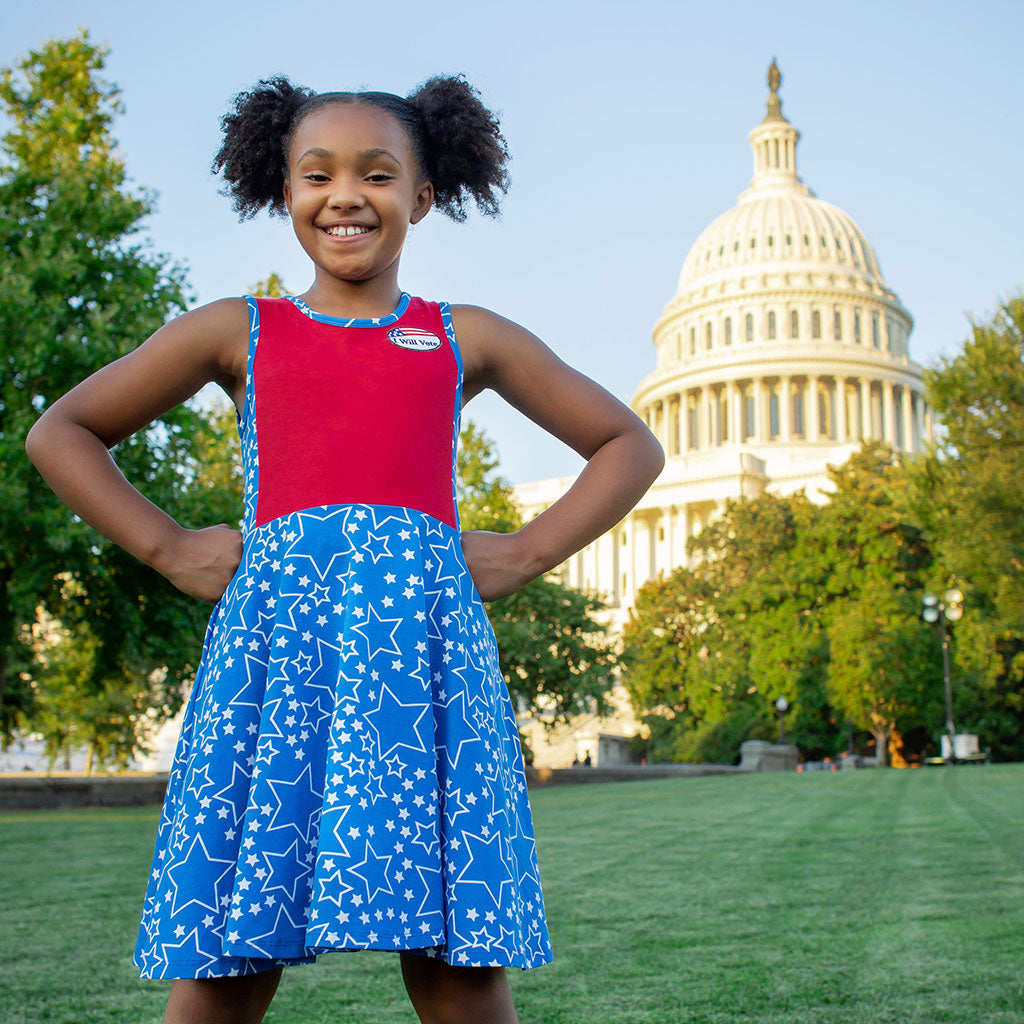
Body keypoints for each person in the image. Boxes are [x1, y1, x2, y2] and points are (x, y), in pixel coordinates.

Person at [25, 74, 664, 1024]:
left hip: (424, 667)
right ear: (283, 191)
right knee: (233, 948)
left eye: (378, 173)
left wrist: (525, 552)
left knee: (455, 954)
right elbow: (62, 432)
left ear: (424, 195)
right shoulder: (239, 331)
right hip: (282, 662)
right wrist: (165, 547)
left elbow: (630, 446)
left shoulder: (463, 336)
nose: (345, 196)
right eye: (316, 174)